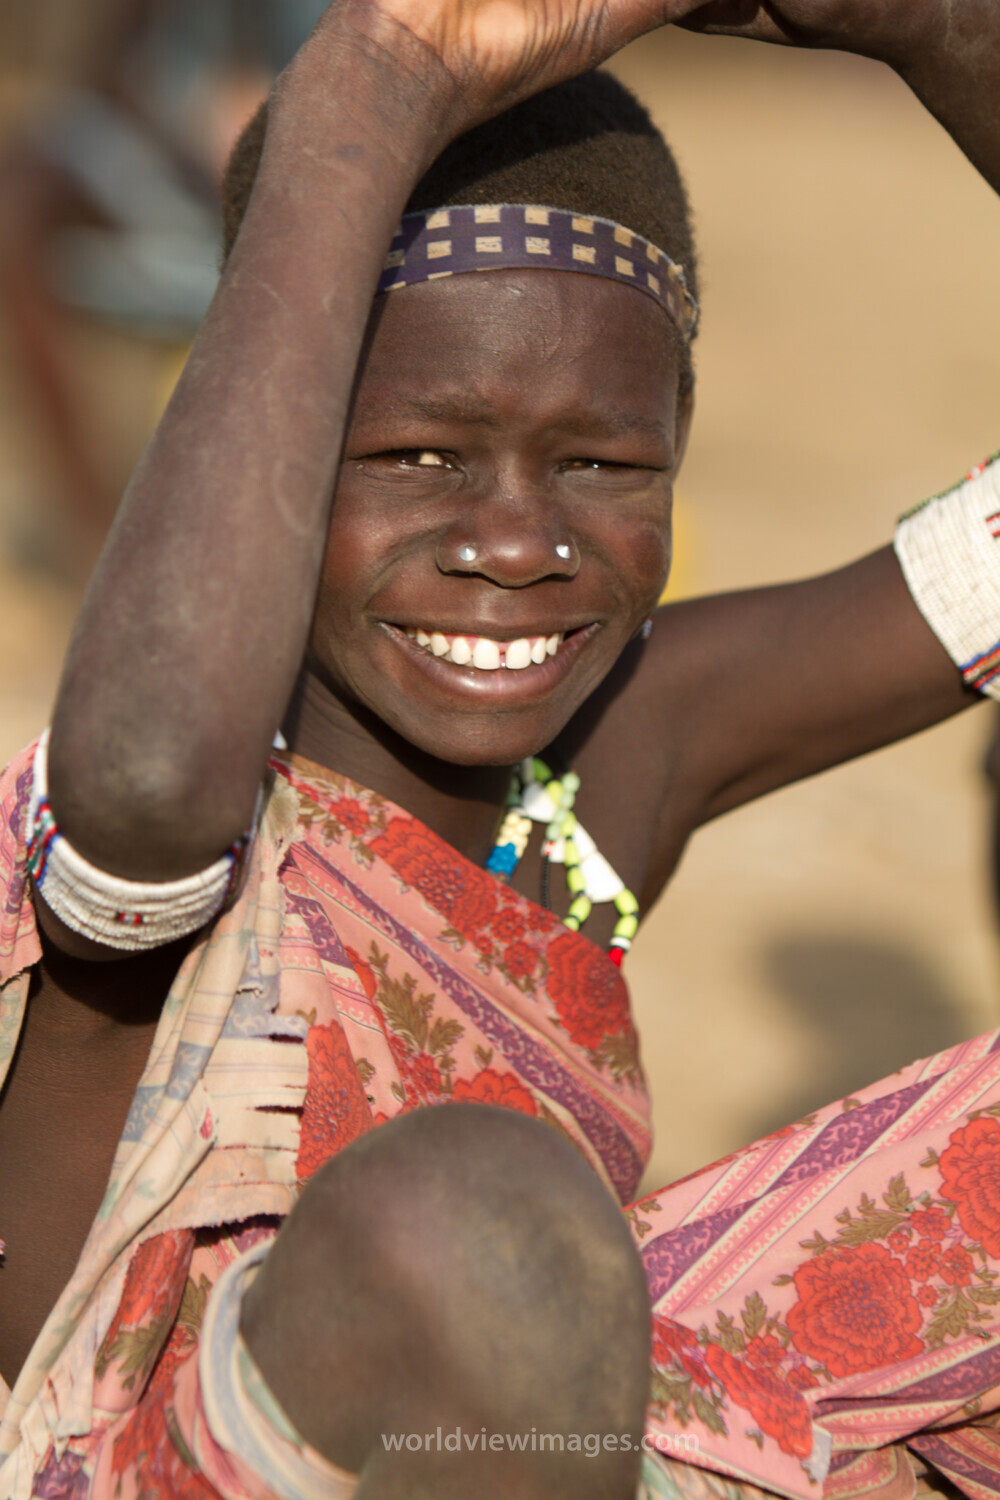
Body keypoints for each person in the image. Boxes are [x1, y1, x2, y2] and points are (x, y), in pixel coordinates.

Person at [3, 0, 1000, 1497]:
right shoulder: (157, 806)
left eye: (600, 463)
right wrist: (370, 85)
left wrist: (935, 33)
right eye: (417, 457)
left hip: (574, 1451)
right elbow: (151, 778)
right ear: (269, 436)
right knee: (474, 1228)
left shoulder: (603, 771)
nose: (519, 543)